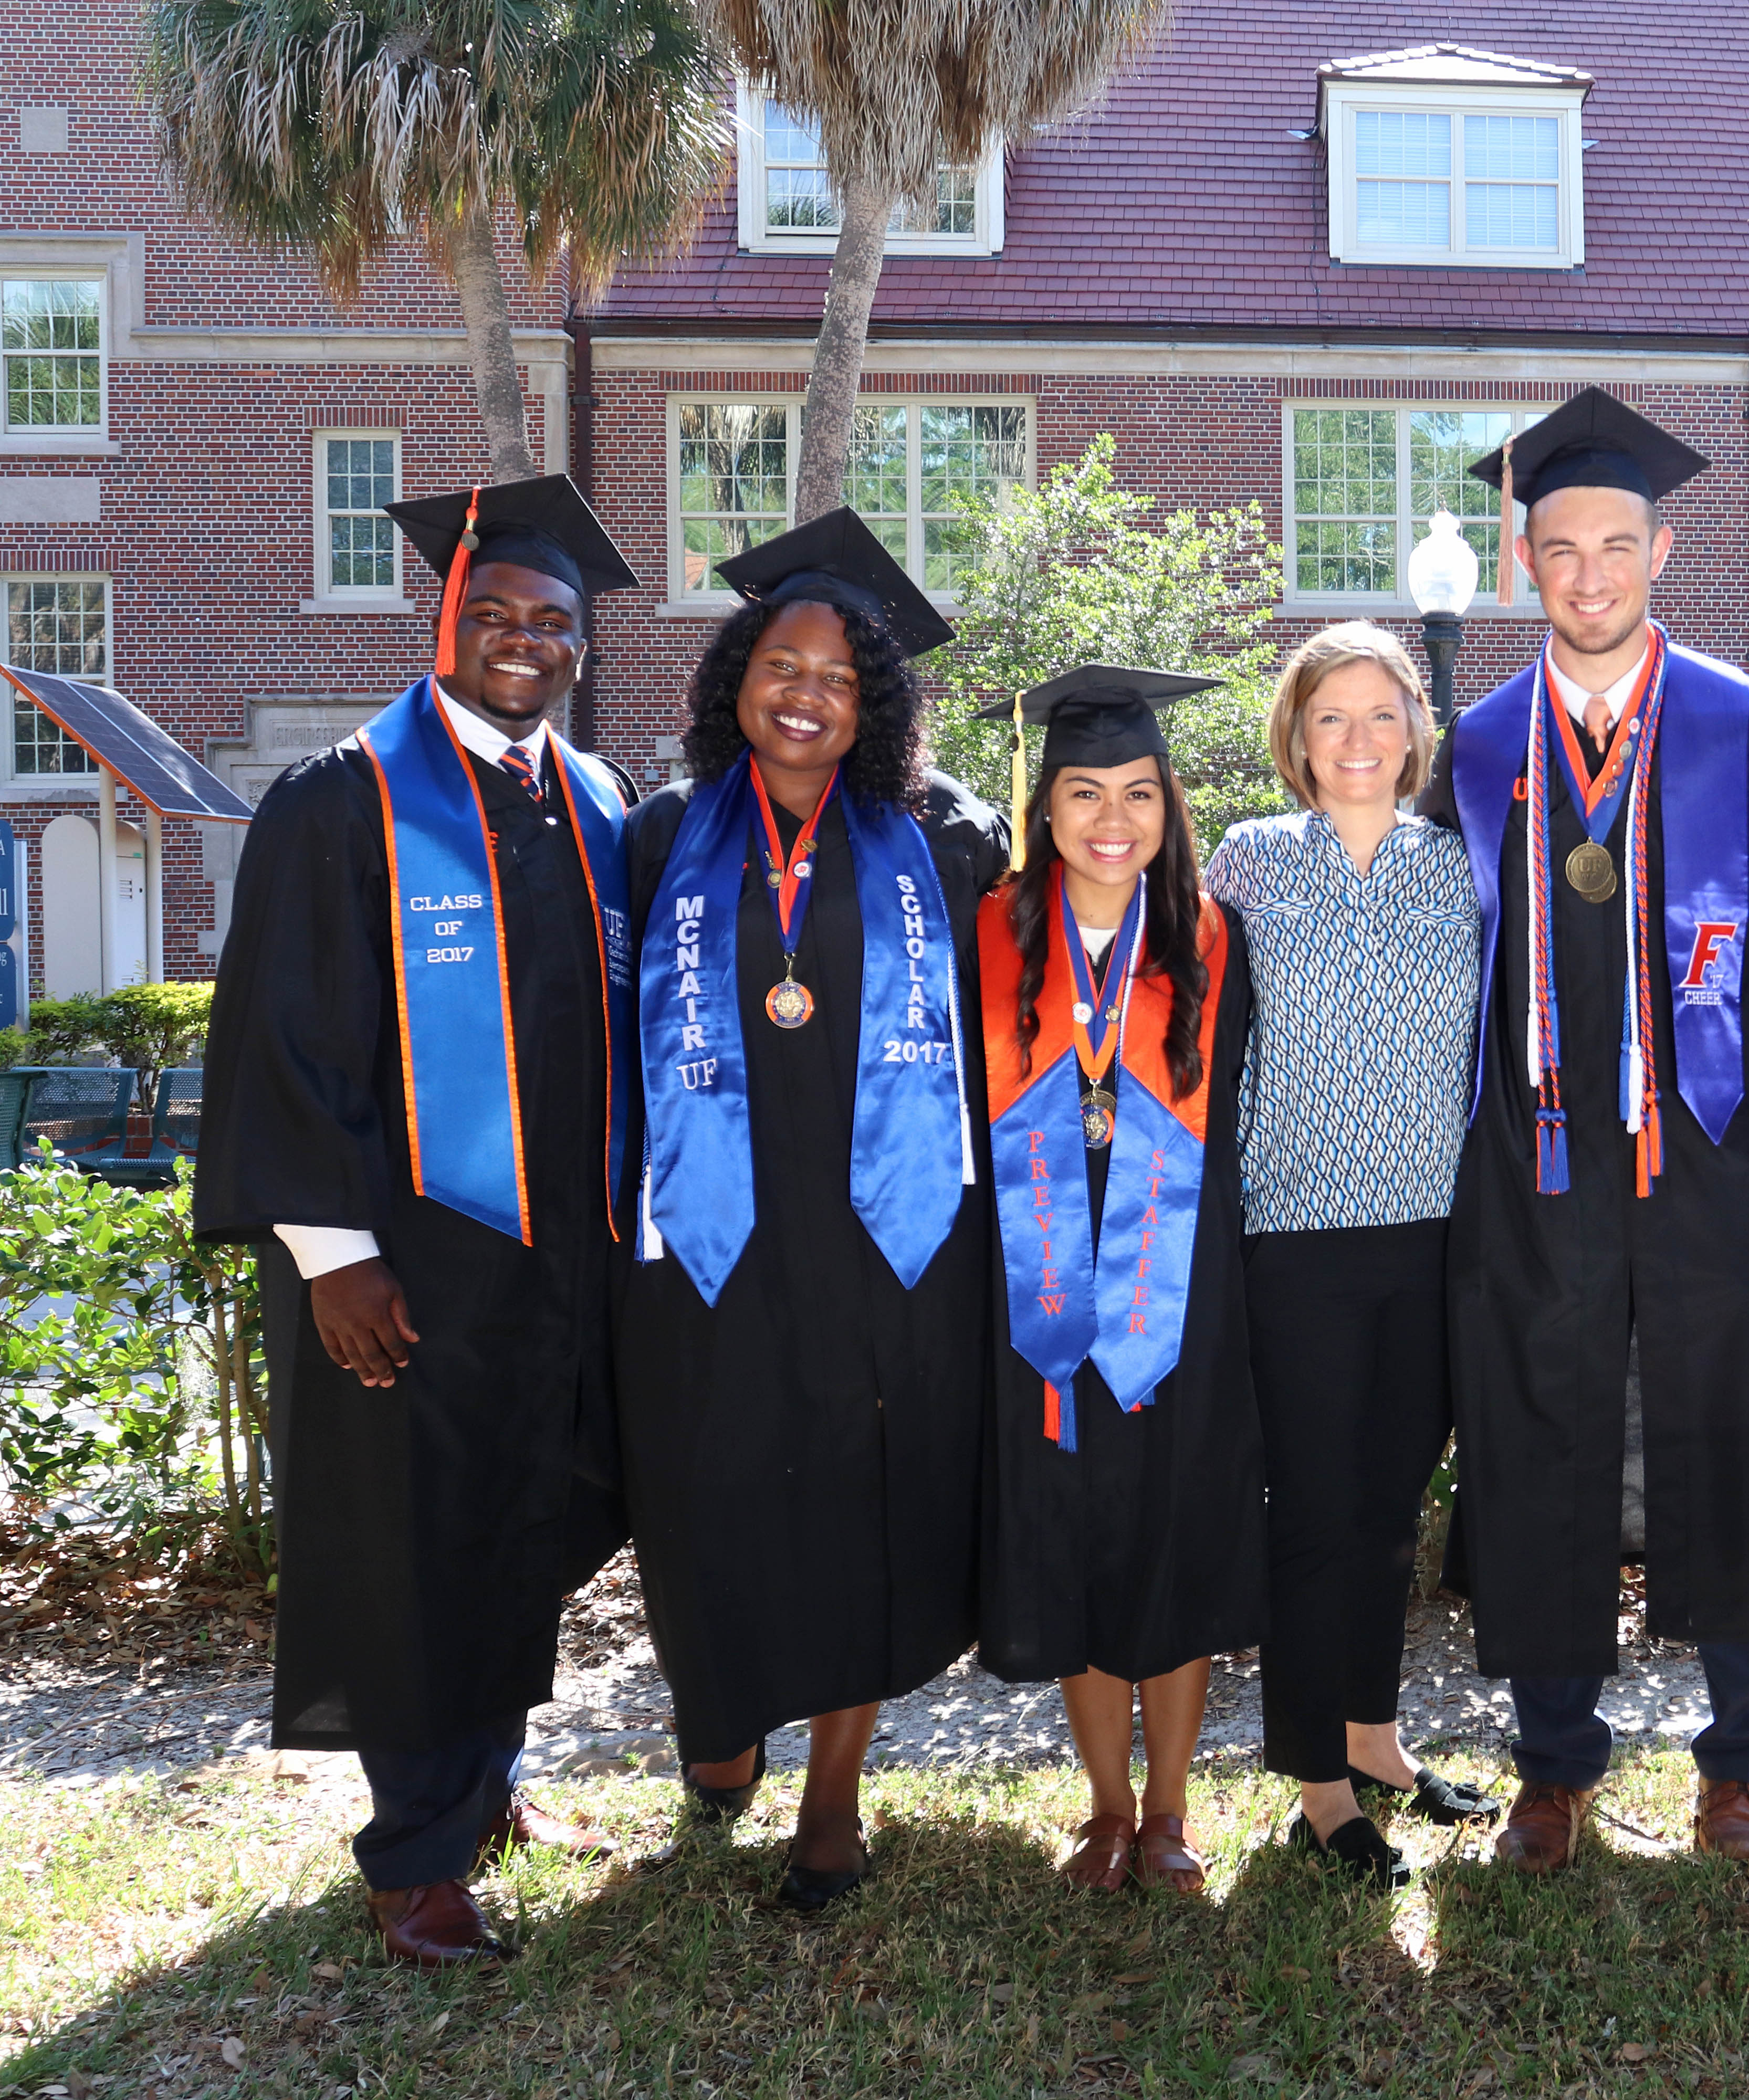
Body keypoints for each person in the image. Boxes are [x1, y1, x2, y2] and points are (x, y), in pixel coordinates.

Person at [196, 474, 639, 1967]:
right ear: (445, 619)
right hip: (402, 1263)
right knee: (411, 1542)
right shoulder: (342, 799)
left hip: (556, 1261)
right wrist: (334, 1256)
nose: (524, 640)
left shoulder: (592, 802)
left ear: (581, 648)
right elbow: (276, 1040)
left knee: (514, 1527)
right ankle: (414, 1856)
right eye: (496, 614)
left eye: (552, 623)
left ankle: (484, 1784)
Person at [1418, 387, 1749, 1872]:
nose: (1588, 574)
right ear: (1522, 564)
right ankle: (1553, 1762)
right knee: (1539, 1431)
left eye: (1616, 545)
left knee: (1726, 1433)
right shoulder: (1473, 747)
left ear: (1663, 551)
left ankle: (1739, 1767)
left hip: (1710, 1153)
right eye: (1560, 547)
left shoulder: (1742, 724)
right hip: (1536, 1158)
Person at [618, 510, 1011, 1911]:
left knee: (866, 1500)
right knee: (708, 1481)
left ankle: (834, 1792)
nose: (807, 693)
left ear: (878, 701)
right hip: (709, 1239)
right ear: (736, 674)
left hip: (886, 1241)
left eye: (842, 677)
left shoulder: (947, 838)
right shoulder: (661, 834)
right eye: (782, 662)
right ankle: (721, 1710)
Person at [1202, 625, 1496, 1891]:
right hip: (1296, 1236)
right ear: (1296, 736)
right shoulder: (1248, 865)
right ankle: (1318, 1788)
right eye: (1333, 716)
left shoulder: (1462, 867)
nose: (1359, 740)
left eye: (1384, 715)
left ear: (1416, 733)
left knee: (1385, 1513)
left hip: (1437, 1235)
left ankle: (1374, 1739)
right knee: (1317, 1513)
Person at [972, 664, 1264, 1896]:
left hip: (1181, 1275)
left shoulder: (1211, 940)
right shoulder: (989, 932)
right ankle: (1103, 1806)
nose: (1111, 818)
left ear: (1170, 804)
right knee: (1073, 1531)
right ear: (1043, 807)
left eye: (1138, 792)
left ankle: (1172, 1809)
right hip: (1033, 1280)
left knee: (1174, 1529)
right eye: (1084, 790)